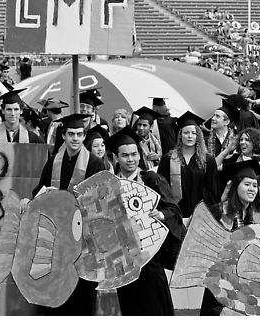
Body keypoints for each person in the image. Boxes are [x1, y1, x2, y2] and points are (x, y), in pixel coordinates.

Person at [28, 114, 106, 315]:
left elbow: (101, 200)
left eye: (80, 134)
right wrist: (43, 196)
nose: (75, 139)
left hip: (83, 236)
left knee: (79, 286)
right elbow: (39, 189)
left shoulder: (95, 164)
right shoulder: (54, 161)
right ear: (63, 135)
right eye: (71, 134)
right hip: (56, 235)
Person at [104, 126, 185, 315]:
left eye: (134, 154)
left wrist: (161, 215)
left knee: (154, 304)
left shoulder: (151, 179)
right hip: (124, 257)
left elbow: (173, 209)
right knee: (130, 305)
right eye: (125, 155)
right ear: (116, 157)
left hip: (150, 256)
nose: (130, 159)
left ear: (140, 156)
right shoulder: (110, 184)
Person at [157, 111, 220, 222]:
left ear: (198, 136)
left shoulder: (208, 161)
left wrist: (201, 213)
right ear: (180, 135)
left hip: (199, 216)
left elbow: (212, 191)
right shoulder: (168, 159)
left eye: (194, 133)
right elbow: (162, 189)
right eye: (186, 133)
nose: (190, 136)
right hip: (175, 216)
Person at [218, 128, 260, 213]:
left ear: (255, 142)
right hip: (232, 204)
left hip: (253, 206)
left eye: (247, 140)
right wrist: (227, 150)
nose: (242, 142)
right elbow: (215, 166)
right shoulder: (234, 158)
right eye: (241, 139)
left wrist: (247, 188)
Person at [133, 106, 163, 170]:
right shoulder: (133, 140)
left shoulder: (155, 141)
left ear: (151, 127)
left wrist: (158, 157)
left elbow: (162, 159)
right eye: (139, 124)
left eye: (144, 125)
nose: (141, 128)